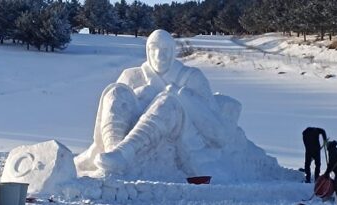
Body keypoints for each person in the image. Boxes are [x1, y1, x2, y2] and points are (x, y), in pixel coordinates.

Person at [74, 29, 238, 176]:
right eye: (154, 49)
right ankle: (113, 154)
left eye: (166, 50)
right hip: (127, 136)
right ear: (147, 51)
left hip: (179, 137)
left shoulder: (191, 77)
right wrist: (139, 95)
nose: (160, 55)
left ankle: (124, 154)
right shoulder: (132, 76)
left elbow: (218, 134)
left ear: (174, 52)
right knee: (116, 91)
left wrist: (183, 97)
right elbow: (114, 107)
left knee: (168, 101)